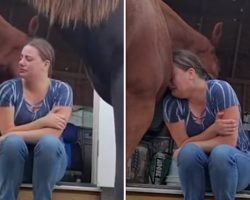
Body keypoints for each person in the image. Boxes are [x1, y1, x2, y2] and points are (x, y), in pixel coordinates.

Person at [163, 49, 250, 200]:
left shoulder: (220, 90)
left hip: (235, 167)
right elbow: (184, 147)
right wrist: (213, 130)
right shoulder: (172, 104)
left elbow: (229, 142)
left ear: (191, 73)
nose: (168, 82)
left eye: (171, 76)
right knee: (189, 153)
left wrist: (190, 145)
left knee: (220, 153)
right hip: (201, 173)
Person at [0, 38, 73, 200]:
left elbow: (53, 134)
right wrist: (43, 122)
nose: (21, 62)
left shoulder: (62, 90)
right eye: (21, 57)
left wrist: (14, 133)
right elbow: (6, 132)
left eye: (28, 58)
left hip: (49, 163)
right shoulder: (8, 89)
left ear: (45, 65)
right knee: (12, 143)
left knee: (49, 143)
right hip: (15, 163)